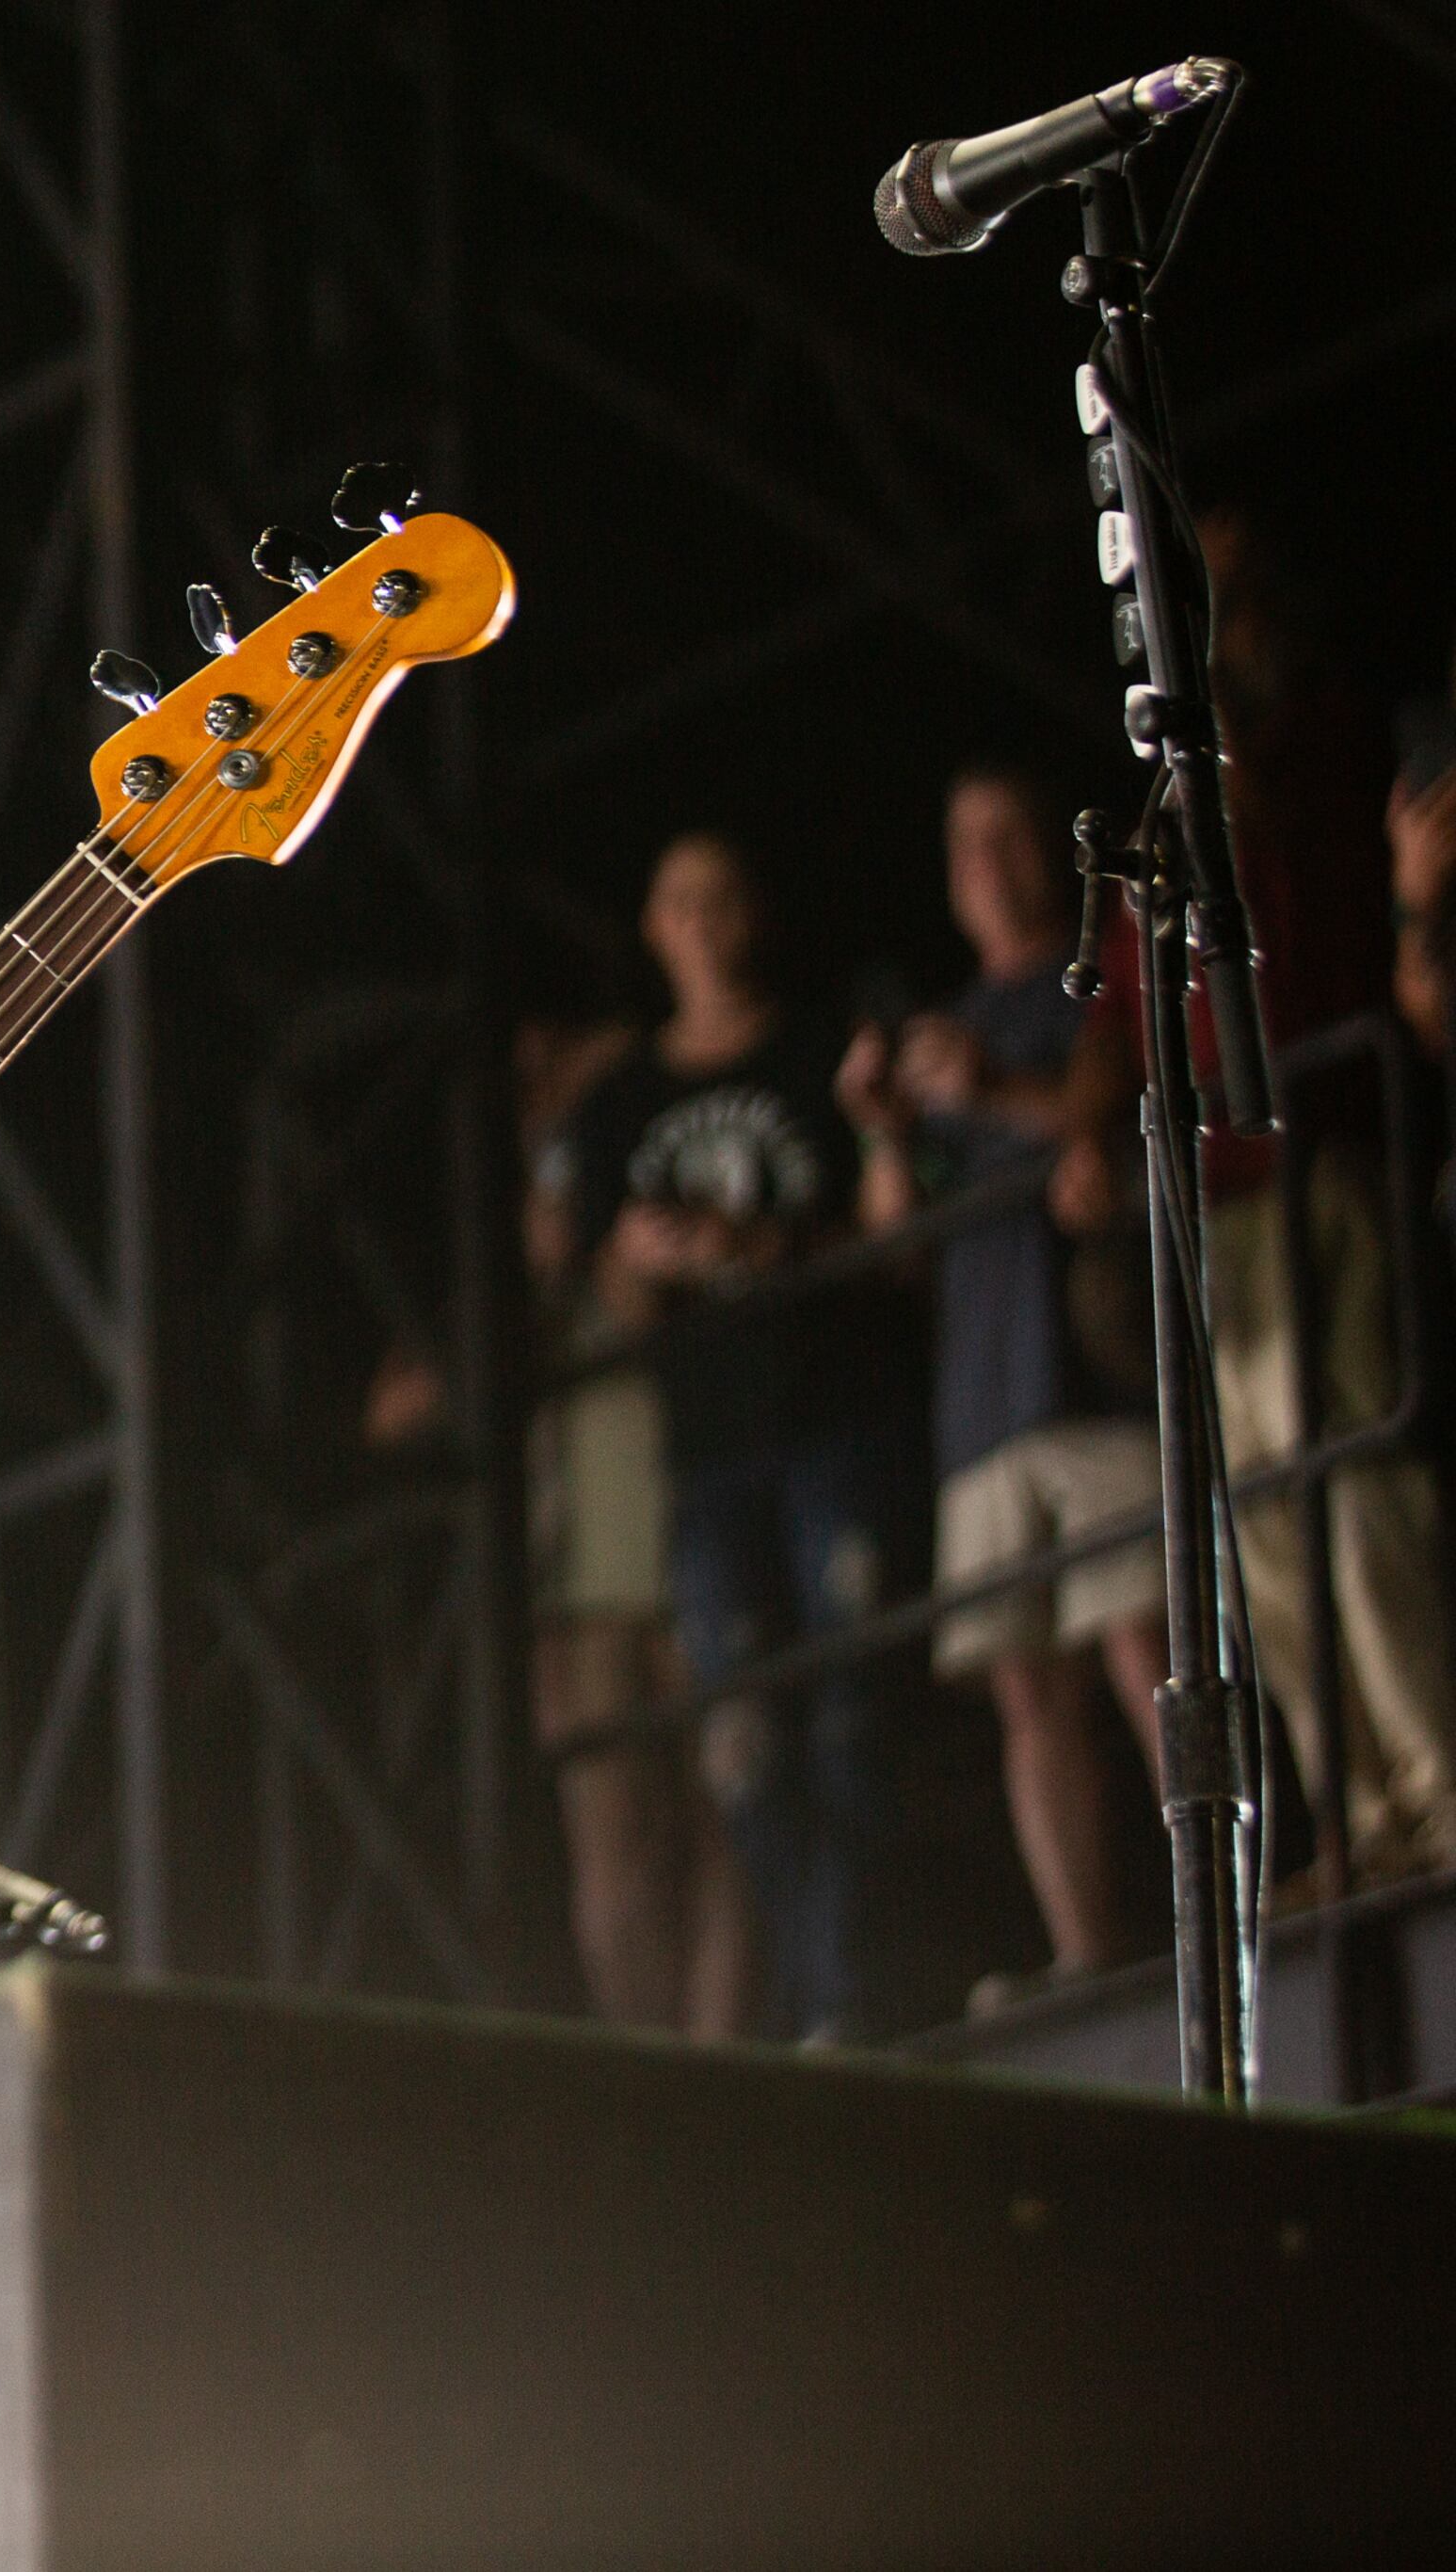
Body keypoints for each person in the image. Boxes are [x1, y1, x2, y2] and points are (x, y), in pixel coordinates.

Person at [1082, 512, 1456, 1886]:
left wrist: (1225, 665)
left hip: (1316, 1165)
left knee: (1353, 1491)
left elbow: (1309, 900)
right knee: (1266, 1531)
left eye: (1217, 605)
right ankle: (1363, 1814)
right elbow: (1124, 1001)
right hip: (1214, 1201)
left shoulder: (1322, 742)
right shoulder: (1163, 801)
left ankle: (1443, 1787)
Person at [555, 831, 920, 2041]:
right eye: (678, 900)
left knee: (854, 1707)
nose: (703, 920)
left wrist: (761, 1247)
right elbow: (601, 1283)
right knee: (744, 1743)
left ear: (753, 912)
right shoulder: (622, 1099)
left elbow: (889, 1235)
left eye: (722, 894)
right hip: (708, 1448)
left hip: (836, 1413)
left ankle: (850, 1989)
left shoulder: (816, 1043)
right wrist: (645, 1260)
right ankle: (819, 1995)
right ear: (654, 929)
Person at [838, 768, 1165, 2004]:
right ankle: (1086, 1949)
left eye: (1008, 830)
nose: (988, 857)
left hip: (1090, 1375)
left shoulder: (1091, 979)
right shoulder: (954, 1023)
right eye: (963, 836)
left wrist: (984, 1089)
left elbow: (1101, 1105)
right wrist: (881, 1125)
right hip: (980, 1394)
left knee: (1142, 1638)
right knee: (1027, 1683)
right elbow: (894, 1241)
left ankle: (1216, 1894)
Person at [520, 1015, 753, 2038]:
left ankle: (720, 2056)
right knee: (615, 1857)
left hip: (703, 1560)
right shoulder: (525, 1286)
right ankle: (645, 2060)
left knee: (729, 1829)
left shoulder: (648, 1169)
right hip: (585, 1595)